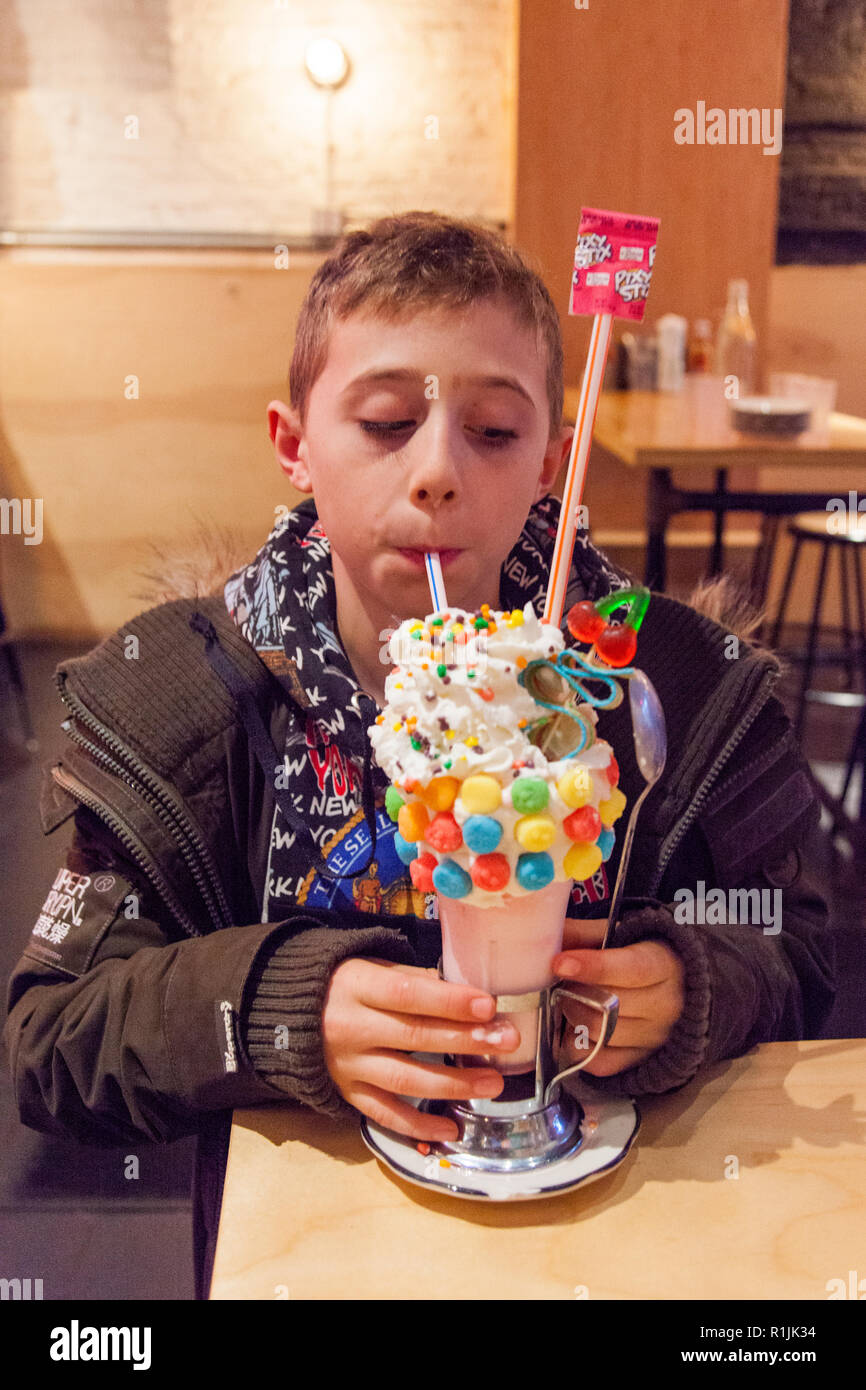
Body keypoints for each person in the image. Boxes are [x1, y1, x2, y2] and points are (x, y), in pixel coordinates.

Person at [4, 211, 836, 1300]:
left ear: (550, 460)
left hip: (619, 1238)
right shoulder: (192, 702)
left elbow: (798, 941)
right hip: (311, 1254)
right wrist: (269, 1013)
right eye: (388, 421)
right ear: (294, 442)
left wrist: (692, 984)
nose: (437, 471)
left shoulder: (667, 688)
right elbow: (51, 1037)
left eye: (491, 433)